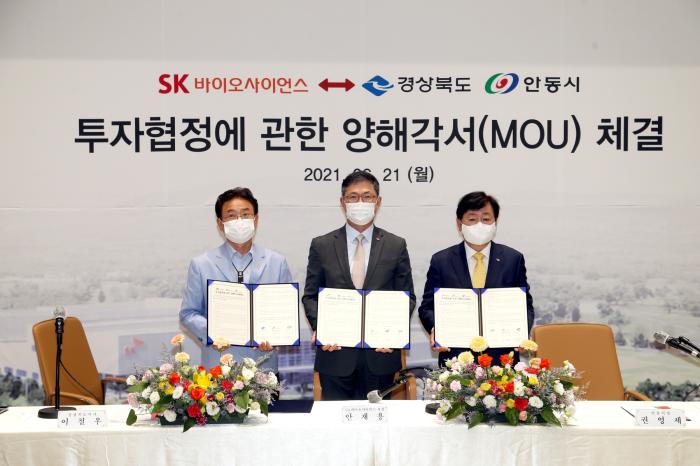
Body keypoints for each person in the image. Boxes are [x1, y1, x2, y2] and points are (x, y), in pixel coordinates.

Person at [302, 170, 416, 400]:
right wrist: (322, 327)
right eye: (353, 197)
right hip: (335, 354)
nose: (360, 202)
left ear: (378, 201)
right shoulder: (322, 245)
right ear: (342, 202)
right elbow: (311, 296)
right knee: (336, 421)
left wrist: (392, 334)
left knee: (377, 421)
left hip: (380, 355)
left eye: (367, 196)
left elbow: (407, 297)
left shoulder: (395, 245)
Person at [180, 187, 293, 371]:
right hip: (218, 369)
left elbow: (285, 312)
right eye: (231, 216)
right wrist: (215, 332)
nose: (239, 221)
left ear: (256, 219)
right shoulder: (201, 264)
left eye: (245, 214)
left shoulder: (276, 262)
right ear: (220, 223)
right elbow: (188, 313)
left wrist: (276, 336)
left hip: (264, 368)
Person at [418, 191, 534, 367]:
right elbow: (427, 307)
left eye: (486, 219)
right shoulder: (441, 261)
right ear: (459, 224)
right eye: (472, 219)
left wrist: (522, 331)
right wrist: (436, 329)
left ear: (495, 222)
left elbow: (525, 305)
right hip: (456, 360)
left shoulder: (513, 259)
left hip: (502, 360)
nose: (480, 225)